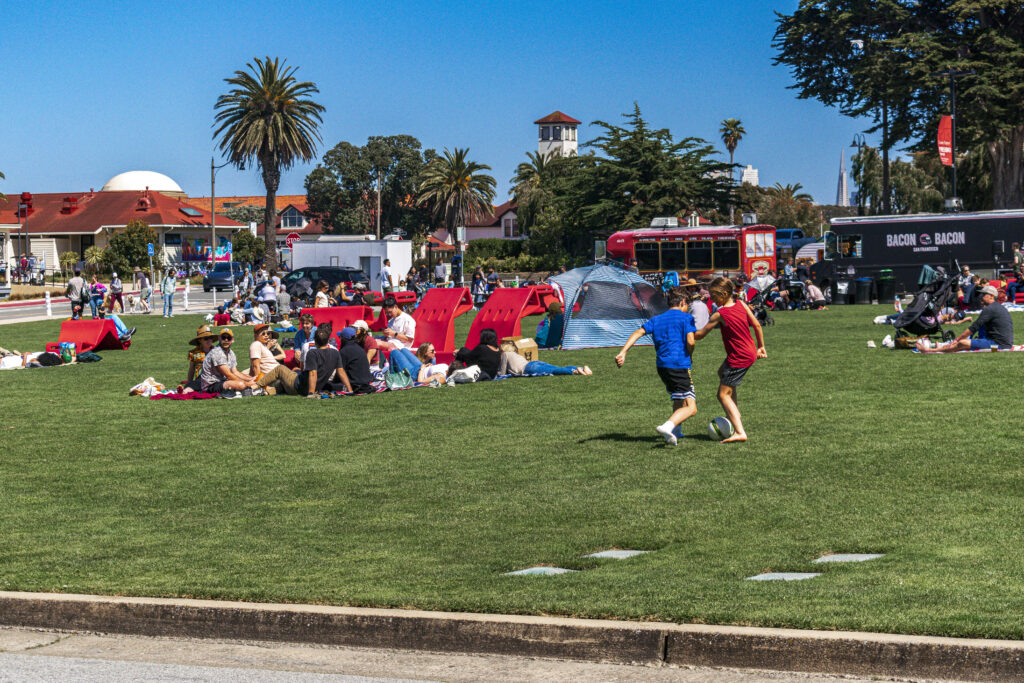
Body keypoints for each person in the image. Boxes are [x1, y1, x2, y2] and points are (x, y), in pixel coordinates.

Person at [615, 287, 697, 445]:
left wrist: (623, 352)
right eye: (687, 305)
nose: (687, 308)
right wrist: (690, 354)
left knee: (678, 399)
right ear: (682, 302)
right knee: (691, 407)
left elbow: (638, 333)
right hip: (679, 365)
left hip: (662, 367)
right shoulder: (686, 318)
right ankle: (668, 426)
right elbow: (691, 341)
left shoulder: (657, 319)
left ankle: (675, 433)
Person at [693, 277, 767, 444]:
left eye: (714, 295)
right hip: (748, 352)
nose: (711, 298)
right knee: (722, 373)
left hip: (739, 357)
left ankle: (740, 432)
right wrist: (761, 347)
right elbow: (757, 325)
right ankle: (735, 412)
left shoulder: (720, 314)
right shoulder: (741, 304)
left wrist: (684, 329)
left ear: (724, 294)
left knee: (722, 394)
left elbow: (700, 335)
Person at [917, 285, 1014, 353]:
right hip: (1001, 342)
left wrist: (957, 340)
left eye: (983, 295)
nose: (980, 297)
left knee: (962, 343)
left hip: (998, 346)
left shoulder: (990, 309)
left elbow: (973, 328)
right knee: (968, 338)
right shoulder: (995, 307)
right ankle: (944, 345)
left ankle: (931, 350)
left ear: (992, 296)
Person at [296, 324, 352, 397]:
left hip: (301, 385)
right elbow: (341, 371)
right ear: (328, 340)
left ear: (315, 341)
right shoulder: (335, 352)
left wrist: (311, 393)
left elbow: (312, 373)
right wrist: (350, 390)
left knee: (281, 370)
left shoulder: (312, 352)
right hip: (319, 384)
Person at [199, 328, 260, 394]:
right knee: (241, 384)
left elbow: (235, 372)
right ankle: (250, 390)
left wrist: (250, 379)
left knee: (243, 383)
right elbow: (228, 374)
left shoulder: (231, 353)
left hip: (222, 381)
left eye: (229, 338)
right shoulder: (217, 352)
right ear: (219, 338)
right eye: (223, 337)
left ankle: (248, 390)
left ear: (232, 340)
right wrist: (246, 383)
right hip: (211, 385)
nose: (226, 340)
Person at [250, 323, 299, 395]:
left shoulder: (263, 346)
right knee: (281, 368)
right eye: (263, 334)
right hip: (275, 377)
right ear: (256, 335)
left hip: (279, 378)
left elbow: (283, 355)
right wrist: (260, 385)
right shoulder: (256, 344)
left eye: (268, 333)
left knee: (297, 371)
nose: (266, 335)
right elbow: (255, 366)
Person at [498, 347, 591, 377]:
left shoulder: (505, 354)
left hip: (527, 368)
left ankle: (574, 371)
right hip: (533, 363)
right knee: (555, 368)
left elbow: (502, 372)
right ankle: (579, 368)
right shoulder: (515, 354)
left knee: (553, 371)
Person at [338, 327, 375, 394]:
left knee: (328, 385)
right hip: (365, 383)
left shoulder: (344, 351)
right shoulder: (360, 349)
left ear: (343, 339)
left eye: (340, 337)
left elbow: (340, 371)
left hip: (355, 385)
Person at [180, 325, 217, 392]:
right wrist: (189, 382)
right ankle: (185, 390)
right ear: (200, 340)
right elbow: (191, 369)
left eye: (210, 337)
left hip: (216, 378)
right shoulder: (194, 353)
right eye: (206, 338)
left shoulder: (217, 351)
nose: (209, 340)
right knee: (191, 386)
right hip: (201, 380)